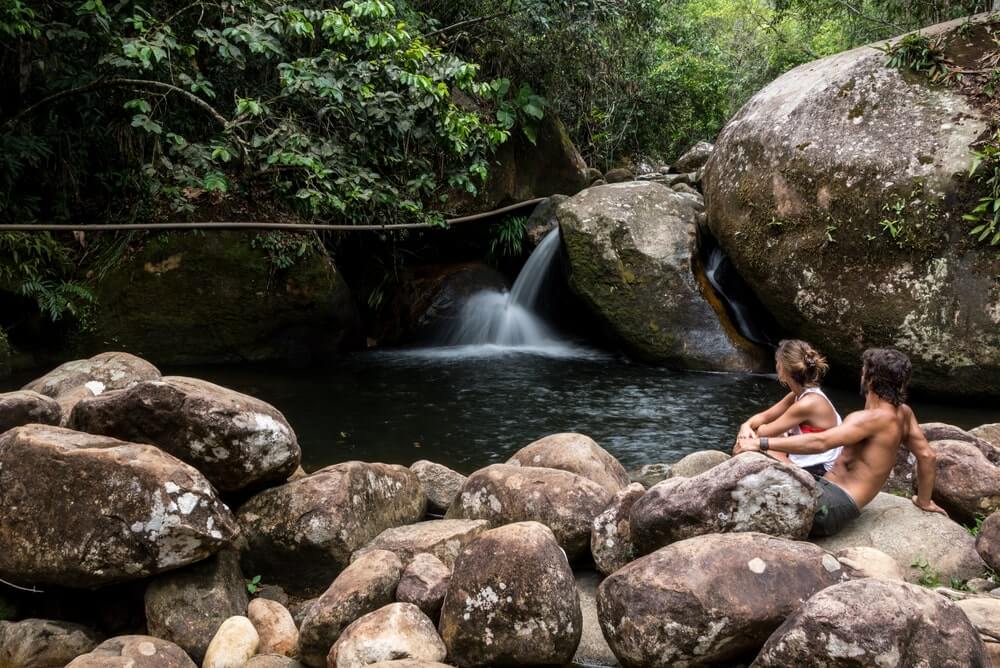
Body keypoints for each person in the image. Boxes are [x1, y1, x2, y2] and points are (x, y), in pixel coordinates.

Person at [735, 347, 945, 537]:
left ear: (869, 379)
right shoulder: (904, 414)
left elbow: (821, 442)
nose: (861, 374)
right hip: (838, 501)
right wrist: (924, 501)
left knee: (748, 464)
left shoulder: (867, 420)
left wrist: (761, 444)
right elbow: (927, 456)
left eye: (863, 371)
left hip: (828, 507)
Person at [736, 340, 842, 478]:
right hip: (808, 462)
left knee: (744, 446)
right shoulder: (798, 395)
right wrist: (746, 425)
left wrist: (758, 430)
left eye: (777, 362)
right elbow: (764, 417)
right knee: (749, 441)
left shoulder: (809, 403)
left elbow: (763, 432)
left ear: (783, 369)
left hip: (820, 472)